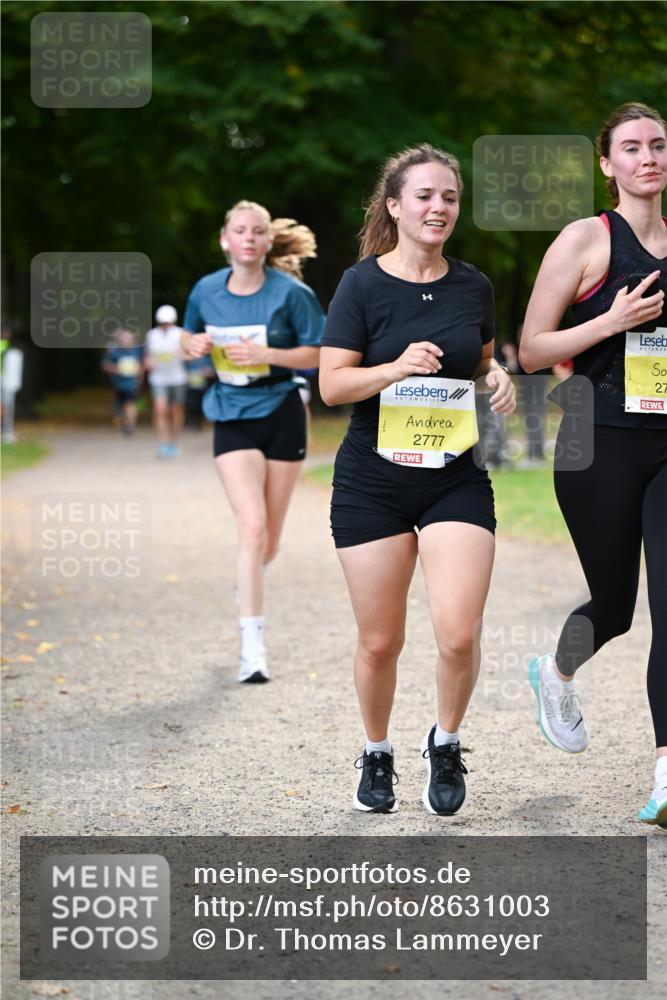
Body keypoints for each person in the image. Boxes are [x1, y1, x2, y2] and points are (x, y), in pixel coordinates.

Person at [319, 144, 515, 815]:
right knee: (381, 641)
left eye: (449, 197)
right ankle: (376, 751)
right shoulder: (360, 285)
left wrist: (496, 375)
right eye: (425, 196)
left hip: (453, 478)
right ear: (395, 206)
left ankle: (446, 742)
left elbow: (477, 359)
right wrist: (394, 368)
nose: (439, 207)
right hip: (372, 482)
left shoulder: (473, 285)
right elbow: (332, 385)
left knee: (458, 632)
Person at [519, 102, 667, 829]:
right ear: (606, 164)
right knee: (614, 609)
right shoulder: (584, 239)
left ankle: (666, 776)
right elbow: (530, 350)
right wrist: (612, 320)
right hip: (595, 440)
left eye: (658, 145)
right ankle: (555, 673)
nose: (648, 157)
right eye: (631, 147)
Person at [181, 201, 324, 683]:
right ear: (225, 239)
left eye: (257, 231)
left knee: (270, 542)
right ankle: (253, 649)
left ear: (267, 242)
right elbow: (187, 336)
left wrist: (268, 354)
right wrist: (191, 345)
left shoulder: (292, 293)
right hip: (231, 413)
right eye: (240, 230)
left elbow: (321, 352)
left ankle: (247, 582)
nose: (248, 237)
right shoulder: (205, 290)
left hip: (282, 411)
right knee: (253, 528)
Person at [145, 305, 188, 458]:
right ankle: (163, 443)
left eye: (167, 323)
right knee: (160, 410)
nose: (165, 325)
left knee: (175, 411)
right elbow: (148, 356)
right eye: (162, 323)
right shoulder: (152, 335)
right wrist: (149, 362)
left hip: (178, 378)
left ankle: (173, 442)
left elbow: (190, 355)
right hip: (158, 378)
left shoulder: (180, 334)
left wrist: (180, 355)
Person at [101, 328, 144, 435]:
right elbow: (105, 365)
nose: (126, 341)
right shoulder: (114, 351)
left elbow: (142, 366)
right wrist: (116, 369)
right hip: (118, 384)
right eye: (123, 338)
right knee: (121, 405)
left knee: (129, 403)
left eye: (128, 338)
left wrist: (139, 378)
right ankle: (125, 423)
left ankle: (130, 425)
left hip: (132, 384)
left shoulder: (137, 351)